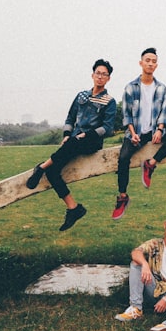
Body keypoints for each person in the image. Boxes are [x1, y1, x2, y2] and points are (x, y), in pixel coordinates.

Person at [25, 59, 117, 231]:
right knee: (53, 172)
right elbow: (70, 118)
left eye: (104, 74)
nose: (100, 77)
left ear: (108, 79)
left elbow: (108, 127)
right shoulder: (81, 96)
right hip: (74, 141)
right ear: (92, 75)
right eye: (98, 73)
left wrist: (86, 134)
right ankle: (73, 208)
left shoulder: (109, 101)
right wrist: (67, 135)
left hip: (92, 142)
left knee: (74, 142)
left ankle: (40, 168)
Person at [113, 48, 166, 220]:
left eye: (153, 61)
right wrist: (132, 134)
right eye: (147, 60)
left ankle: (151, 164)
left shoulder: (161, 88)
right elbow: (127, 114)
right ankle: (123, 196)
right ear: (141, 63)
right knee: (123, 158)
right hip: (136, 133)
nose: (150, 63)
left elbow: (163, 112)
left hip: (154, 132)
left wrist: (160, 129)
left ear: (156, 65)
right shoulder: (131, 87)